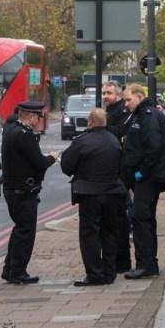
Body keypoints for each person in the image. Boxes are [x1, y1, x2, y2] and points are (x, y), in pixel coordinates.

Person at [60, 108, 127, 286]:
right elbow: (122, 167)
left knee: (90, 235)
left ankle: (95, 274)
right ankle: (110, 273)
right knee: (110, 233)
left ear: (89, 123)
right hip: (113, 192)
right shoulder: (114, 141)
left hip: (90, 194)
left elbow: (66, 166)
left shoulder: (82, 142)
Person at [0, 100, 58, 285]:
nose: (40, 121)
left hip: (13, 189)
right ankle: (18, 272)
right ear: (32, 117)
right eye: (39, 117)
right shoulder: (23, 135)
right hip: (23, 191)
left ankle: (9, 269)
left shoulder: (10, 129)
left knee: (19, 229)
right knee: (25, 232)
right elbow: (39, 162)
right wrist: (52, 157)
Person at [121, 83, 165, 279]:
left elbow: (153, 146)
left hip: (149, 178)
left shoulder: (149, 116)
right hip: (145, 177)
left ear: (139, 96)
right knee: (145, 218)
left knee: (140, 218)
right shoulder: (138, 115)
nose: (125, 104)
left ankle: (145, 264)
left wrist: (142, 172)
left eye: (128, 99)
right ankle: (149, 263)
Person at [101, 81, 133, 273]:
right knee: (117, 218)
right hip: (112, 171)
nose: (105, 96)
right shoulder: (109, 112)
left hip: (120, 171)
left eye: (109, 93)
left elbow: (120, 138)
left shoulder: (121, 114)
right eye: (104, 93)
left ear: (118, 96)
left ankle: (121, 262)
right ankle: (119, 262)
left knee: (119, 219)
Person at [0, 111, 18, 198]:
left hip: (5, 150)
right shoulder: (18, 124)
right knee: (14, 170)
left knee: (7, 169)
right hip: (15, 151)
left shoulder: (7, 124)